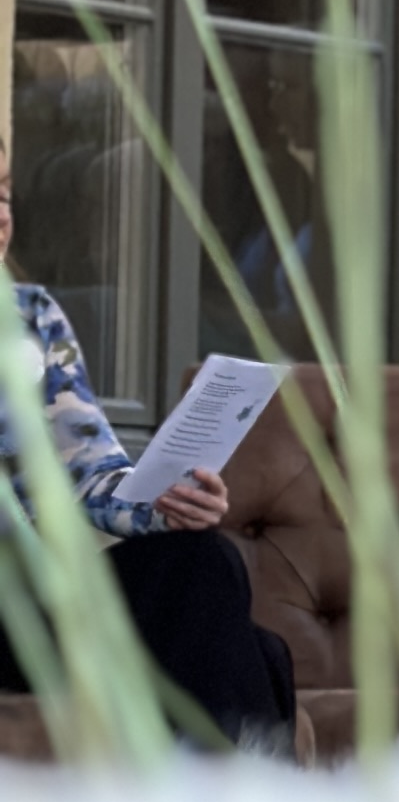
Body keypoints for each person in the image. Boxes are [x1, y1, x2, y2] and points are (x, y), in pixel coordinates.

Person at [0, 144, 295, 745]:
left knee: (201, 563)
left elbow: (88, 465)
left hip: (38, 596)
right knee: (256, 654)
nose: (1, 214)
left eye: (3, 193)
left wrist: (160, 503)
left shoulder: (29, 315)